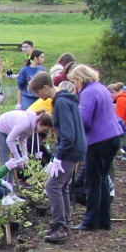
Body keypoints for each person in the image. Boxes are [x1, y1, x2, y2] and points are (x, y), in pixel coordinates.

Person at [72, 64, 122, 232]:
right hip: (113, 137)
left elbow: (84, 120)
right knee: (102, 180)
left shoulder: (88, 92)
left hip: (98, 141)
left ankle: (90, 220)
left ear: (80, 79)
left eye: (74, 82)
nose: (75, 86)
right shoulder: (101, 88)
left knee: (92, 182)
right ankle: (104, 219)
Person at [40, 73, 85, 241]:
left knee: (52, 186)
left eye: (39, 93)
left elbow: (67, 134)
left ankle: (60, 227)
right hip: (76, 149)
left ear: (46, 87)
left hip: (70, 150)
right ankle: (64, 222)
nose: (39, 97)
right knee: (63, 186)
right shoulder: (66, 99)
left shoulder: (61, 102)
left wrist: (58, 156)